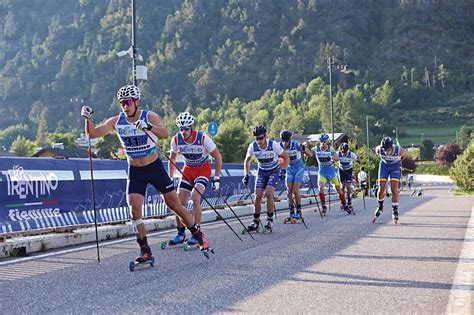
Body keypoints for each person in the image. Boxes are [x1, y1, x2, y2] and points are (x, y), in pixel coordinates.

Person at [80, 85, 211, 263]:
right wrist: (87, 118)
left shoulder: (149, 116)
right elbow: (93, 134)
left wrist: (148, 126)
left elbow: (165, 134)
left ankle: (198, 234)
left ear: (136, 102)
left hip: (154, 168)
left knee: (175, 206)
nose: (125, 106)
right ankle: (145, 250)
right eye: (121, 103)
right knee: (134, 211)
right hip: (135, 171)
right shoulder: (117, 121)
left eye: (128, 102)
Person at [167, 112, 222, 246]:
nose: (183, 131)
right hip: (188, 170)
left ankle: (196, 232)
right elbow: (172, 159)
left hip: (203, 170)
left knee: (195, 198)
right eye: (181, 128)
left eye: (186, 128)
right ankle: (180, 233)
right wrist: (170, 176)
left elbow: (218, 157)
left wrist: (217, 177)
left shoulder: (203, 138)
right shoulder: (176, 139)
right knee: (177, 203)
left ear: (191, 127)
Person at [242, 125, 289, 232]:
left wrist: (283, 170)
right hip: (262, 172)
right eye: (256, 138)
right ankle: (256, 221)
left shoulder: (273, 145)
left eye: (261, 138)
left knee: (268, 193)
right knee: (257, 195)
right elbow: (247, 161)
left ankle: (269, 219)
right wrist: (246, 174)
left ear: (265, 136)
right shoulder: (252, 146)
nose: (258, 141)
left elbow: (286, 157)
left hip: (274, 171)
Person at [310, 133, 348, 215]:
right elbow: (309, 153)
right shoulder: (316, 148)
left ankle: (344, 204)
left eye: (325, 142)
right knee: (321, 188)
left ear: (327, 142)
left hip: (331, 172)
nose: (323, 143)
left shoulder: (331, 149)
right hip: (322, 172)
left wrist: (330, 157)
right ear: (320, 141)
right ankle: (323, 205)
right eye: (322, 141)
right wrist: (304, 150)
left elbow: (337, 158)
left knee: (338, 189)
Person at [371, 136, 407, 224]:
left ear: (391, 147)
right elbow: (378, 153)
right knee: (381, 188)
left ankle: (395, 210)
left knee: (394, 189)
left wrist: (399, 162)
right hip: (384, 166)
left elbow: (404, 156)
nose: (386, 152)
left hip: (395, 166)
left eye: (387, 149)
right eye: (384, 149)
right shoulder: (379, 149)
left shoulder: (399, 150)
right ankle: (380, 206)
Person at [279, 130, 311, 222]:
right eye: (283, 141)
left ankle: (299, 211)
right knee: (289, 191)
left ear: (290, 140)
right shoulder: (280, 146)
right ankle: (291, 212)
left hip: (299, 167)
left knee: (295, 190)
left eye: (287, 141)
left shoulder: (296, 145)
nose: (285, 143)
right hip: (289, 168)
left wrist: (305, 150)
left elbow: (310, 154)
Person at [337, 143, 357, 212]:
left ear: (347, 150)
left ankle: (349, 201)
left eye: (345, 152)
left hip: (349, 170)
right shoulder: (338, 154)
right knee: (342, 186)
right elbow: (332, 158)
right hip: (341, 170)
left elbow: (357, 159)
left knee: (348, 186)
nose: (343, 153)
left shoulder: (351, 154)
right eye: (342, 152)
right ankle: (343, 202)